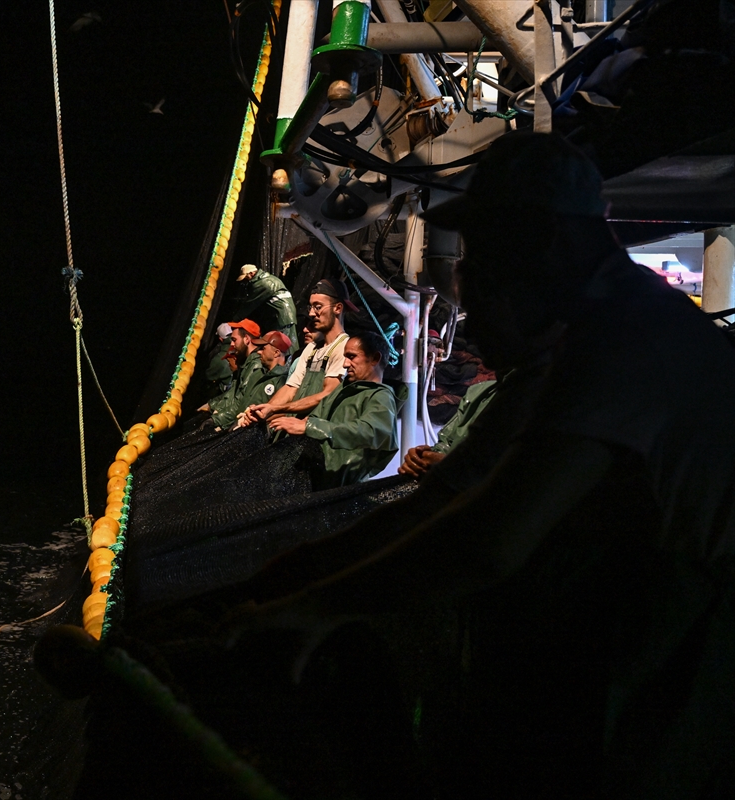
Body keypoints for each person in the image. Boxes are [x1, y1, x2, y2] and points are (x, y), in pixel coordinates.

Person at [231, 132, 735, 799]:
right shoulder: (571, 347)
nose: (472, 274)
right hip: (623, 654)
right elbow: (450, 494)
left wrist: (313, 608)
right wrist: (293, 573)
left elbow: (490, 540)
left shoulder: (626, 339)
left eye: (486, 246)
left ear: (545, 239)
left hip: (666, 682)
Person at [267, 332, 399, 487]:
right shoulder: (343, 389)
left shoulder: (381, 396)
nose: (345, 364)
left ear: (375, 359)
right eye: (345, 357)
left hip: (341, 490)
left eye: (352, 357)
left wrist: (310, 427)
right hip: (314, 482)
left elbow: (371, 432)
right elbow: (313, 418)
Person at [237, 279, 351, 427]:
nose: (311, 313)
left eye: (318, 307)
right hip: (290, 427)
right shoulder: (311, 348)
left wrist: (275, 409)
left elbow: (326, 395)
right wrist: (263, 412)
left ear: (338, 308)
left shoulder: (343, 347)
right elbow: (290, 389)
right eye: (311, 307)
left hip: (313, 430)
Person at [398, 377, 498, 478]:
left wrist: (450, 463)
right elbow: (447, 443)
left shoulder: (504, 403)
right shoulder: (478, 391)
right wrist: (421, 458)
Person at [210, 330, 293, 430]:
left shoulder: (284, 382)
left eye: (263, 349)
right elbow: (239, 403)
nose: (259, 352)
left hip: (254, 433)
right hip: (237, 427)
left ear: (276, 353)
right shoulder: (257, 373)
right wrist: (216, 420)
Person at [230, 264, 299, 355]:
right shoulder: (269, 279)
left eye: (246, 277)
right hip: (284, 316)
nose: (246, 281)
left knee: (286, 345)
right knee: (287, 342)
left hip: (282, 317)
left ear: (251, 273)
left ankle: (291, 360)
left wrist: (235, 319)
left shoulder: (263, 283)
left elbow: (249, 305)